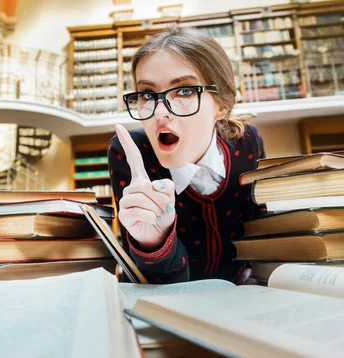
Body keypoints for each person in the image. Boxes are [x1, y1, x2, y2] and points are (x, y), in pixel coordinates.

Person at [108, 26, 265, 284]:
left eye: (184, 91)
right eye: (147, 94)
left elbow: (262, 239)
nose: (159, 113)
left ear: (222, 105)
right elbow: (150, 284)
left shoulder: (248, 143)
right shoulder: (130, 153)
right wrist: (154, 241)